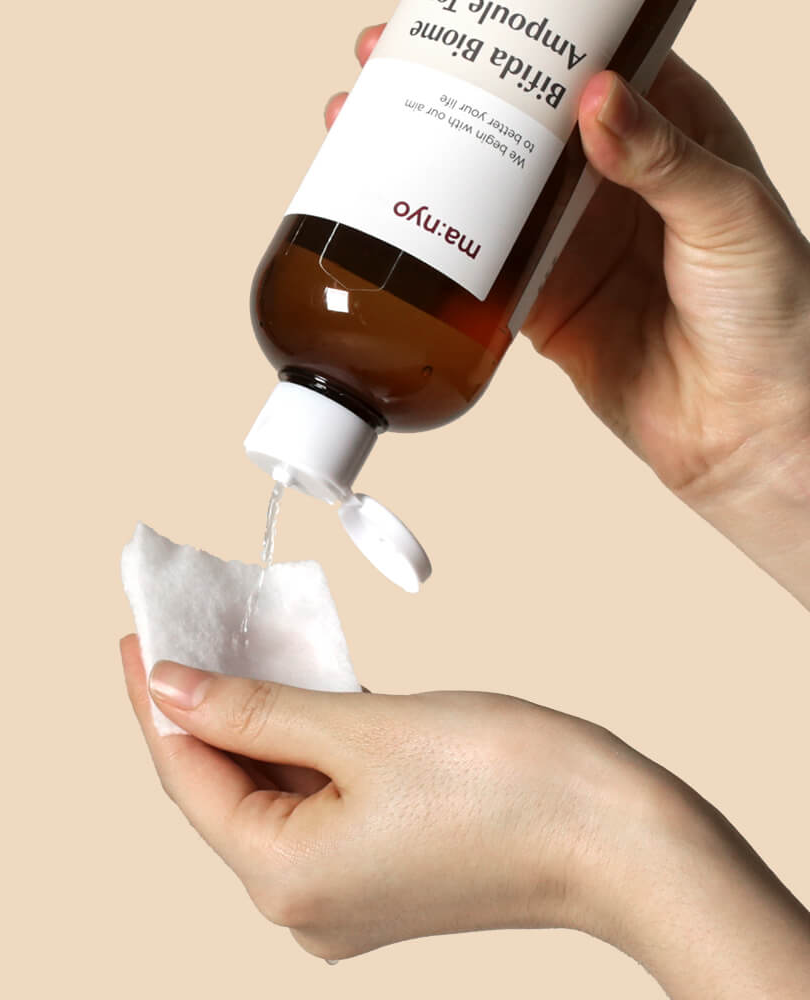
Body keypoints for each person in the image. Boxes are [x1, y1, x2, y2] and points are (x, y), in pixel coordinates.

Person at [121, 26, 810, 997]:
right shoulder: (361, 339)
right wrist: (775, 451)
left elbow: (596, 842)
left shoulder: (324, 321)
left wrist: (590, 844)